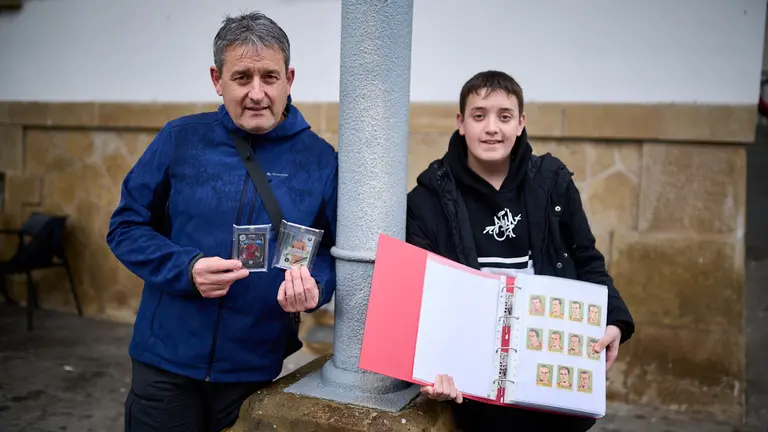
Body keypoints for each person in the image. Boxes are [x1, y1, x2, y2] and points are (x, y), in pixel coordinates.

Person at [106, 11, 338, 432]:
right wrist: (186, 269)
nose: (256, 93)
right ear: (217, 79)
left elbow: (336, 253)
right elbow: (125, 228)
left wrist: (316, 288)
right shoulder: (179, 140)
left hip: (254, 369)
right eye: (241, 77)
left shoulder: (321, 161)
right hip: (164, 361)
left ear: (289, 78)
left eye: (269, 77)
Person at [405, 70, 634, 431]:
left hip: (548, 388)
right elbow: (418, 293)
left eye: (504, 116)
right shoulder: (427, 199)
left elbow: (588, 260)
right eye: (479, 115)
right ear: (461, 123)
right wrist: (424, 368)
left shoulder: (553, 182)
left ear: (521, 122)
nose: (492, 127)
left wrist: (615, 321)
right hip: (472, 390)